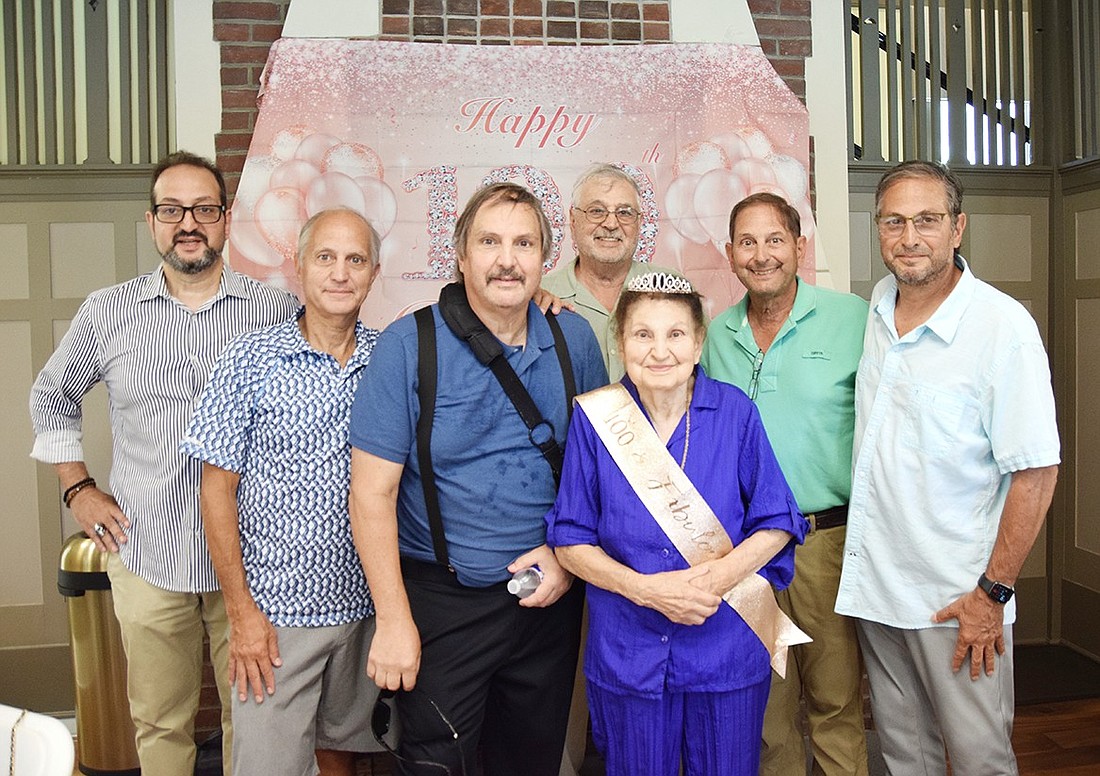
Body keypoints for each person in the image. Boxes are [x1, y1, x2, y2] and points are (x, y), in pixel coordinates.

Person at [29, 151, 298, 774]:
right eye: (172, 209)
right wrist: (80, 490)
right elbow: (51, 397)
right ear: (151, 221)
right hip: (148, 553)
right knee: (160, 723)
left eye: (204, 208)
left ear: (227, 219)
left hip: (254, 562)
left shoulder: (277, 314)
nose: (189, 223)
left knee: (254, 720)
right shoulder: (108, 312)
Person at [348, 182, 607, 776]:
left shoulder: (575, 342)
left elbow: (599, 478)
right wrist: (392, 621)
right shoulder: (408, 345)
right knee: (440, 764)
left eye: (524, 243)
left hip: (549, 600)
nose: (507, 259)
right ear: (460, 255)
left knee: (531, 763)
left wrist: (569, 559)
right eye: (489, 241)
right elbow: (371, 494)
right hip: (442, 603)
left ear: (545, 258)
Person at [835, 160, 1060, 775]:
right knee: (906, 758)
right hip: (879, 591)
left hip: (958, 600)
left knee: (981, 760)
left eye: (928, 220)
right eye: (895, 221)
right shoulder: (878, 306)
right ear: (878, 230)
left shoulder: (1001, 327)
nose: (910, 237)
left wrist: (992, 594)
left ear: (958, 227)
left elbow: (1036, 473)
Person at [546, 271, 806, 776]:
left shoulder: (735, 413)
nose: (659, 350)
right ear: (620, 343)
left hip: (725, 641)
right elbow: (571, 538)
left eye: (676, 334)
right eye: (643, 334)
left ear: (698, 341)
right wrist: (645, 589)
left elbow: (776, 520)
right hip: (629, 646)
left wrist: (718, 577)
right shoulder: (595, 419)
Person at [180, 209, 383, 775]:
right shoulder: (247, 359)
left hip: (367, 611)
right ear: (298, 266)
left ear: (373, 272)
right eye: (326, 257)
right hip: (275, 619)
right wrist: (242, 613)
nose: (340, 273)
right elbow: (215, 489)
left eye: (355, 259)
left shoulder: (391, 360)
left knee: (344, 755)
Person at [700, 192, 869, 776]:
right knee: (766, 713)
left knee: (836, 701)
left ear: (799, 247)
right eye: (747, 242)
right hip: (743, 553)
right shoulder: (711, 334)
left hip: (825, 544)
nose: (761, 254)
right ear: (730, 254)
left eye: (775, 240)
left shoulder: (853, 319)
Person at [542, 163, 680, 380]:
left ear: (639, 223)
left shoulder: (673, 289)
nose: (611, 223)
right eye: (597, 211)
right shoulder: (539, 297)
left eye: (624, 212)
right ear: (573, 219)